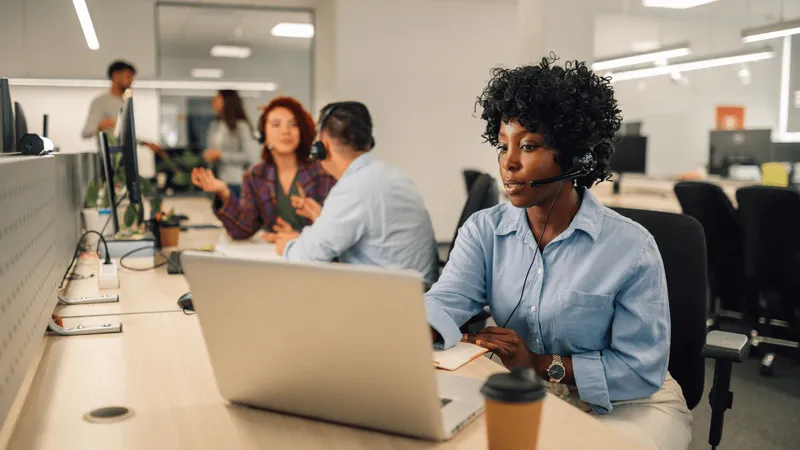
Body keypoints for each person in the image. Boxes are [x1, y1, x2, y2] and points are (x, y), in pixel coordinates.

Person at [425, 57, 692, 450]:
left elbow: (640, 370)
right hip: (529, 391)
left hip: (629, 405)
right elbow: (445, 302)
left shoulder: (631, 249)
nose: (508, 163)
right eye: (502, 146)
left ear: (575, 157)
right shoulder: (485, 231)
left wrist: (538, 363)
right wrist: (416, 328)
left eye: (528, 146)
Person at [276, 101, 439, 289]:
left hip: (394, 301)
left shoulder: (354, 188)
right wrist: (323, 219)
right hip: (415, 294)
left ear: (322, 146)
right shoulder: (388, 175)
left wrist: (289, 244)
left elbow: (304, 257)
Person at [191, 96, 335, 242]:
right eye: (276, 124)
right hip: (274, 259)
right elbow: (242, 230)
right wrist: (223, 192)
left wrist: (299, 238)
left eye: (293, 124)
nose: (285, 131)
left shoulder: (323, 172)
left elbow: (338, 230)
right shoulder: (256, 176)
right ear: (263, 135)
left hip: (316, 258)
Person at [81, 60, 161, 153]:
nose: (131, 81)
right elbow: (86, 132)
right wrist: (100, 126)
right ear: (116, 76)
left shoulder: (125, 103)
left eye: (132, 77)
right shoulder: (101, 101)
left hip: (125, 159)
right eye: (128, 76)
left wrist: (146, 143)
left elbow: (124, 137)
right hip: (108, 160)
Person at [202, 90, 260, 198]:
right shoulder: (215, 125)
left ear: (227, 101)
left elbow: (249, 156)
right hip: (217, 180)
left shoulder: (241, 126)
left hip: (236, 182)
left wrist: (221, 155)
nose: (213, 102)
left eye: (217, 99)